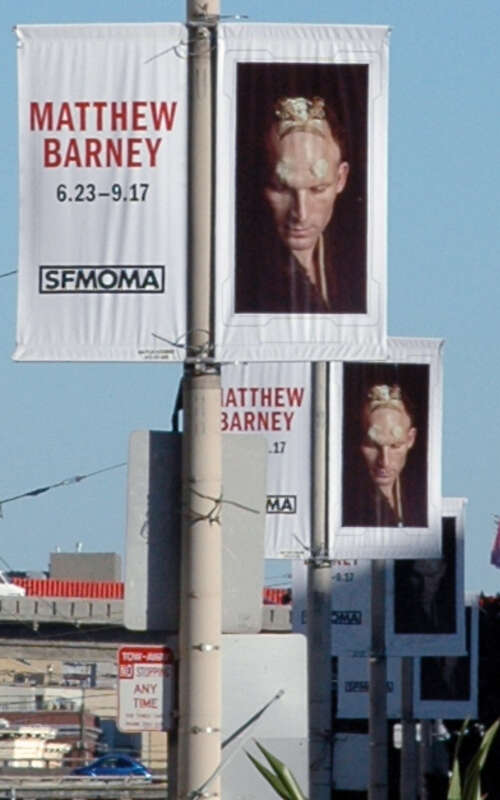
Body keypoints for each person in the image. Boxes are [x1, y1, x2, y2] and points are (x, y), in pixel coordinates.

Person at [235, 95, 365, 314]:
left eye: (317, 189)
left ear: (341, 178)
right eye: (282, 189)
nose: (301, 214)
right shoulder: (247, 280)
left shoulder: (357, 267)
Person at [343, 383, 424, 527]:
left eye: (395, 446)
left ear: (411, 439)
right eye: (373, 446)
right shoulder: (348, 504)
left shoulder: (421, 498)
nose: (384, 462)